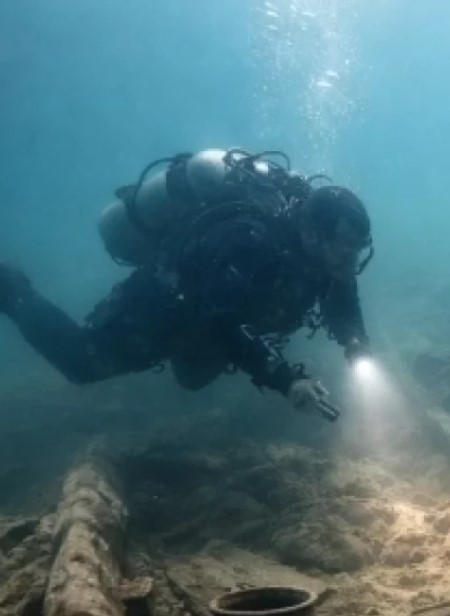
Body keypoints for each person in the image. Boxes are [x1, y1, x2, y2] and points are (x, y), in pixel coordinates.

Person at [0, 149, 374, 421]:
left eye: (354, 249)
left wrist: (355, 341)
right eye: (342, 246)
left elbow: (341, 293)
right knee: (82, 363)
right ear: (311, 231)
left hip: (215, 318)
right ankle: (11, 287)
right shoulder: (250, 239)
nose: (348, 259)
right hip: (169, 301)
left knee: (192, 378)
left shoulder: (326, 258)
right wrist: (284, 379)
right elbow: (220, 316)